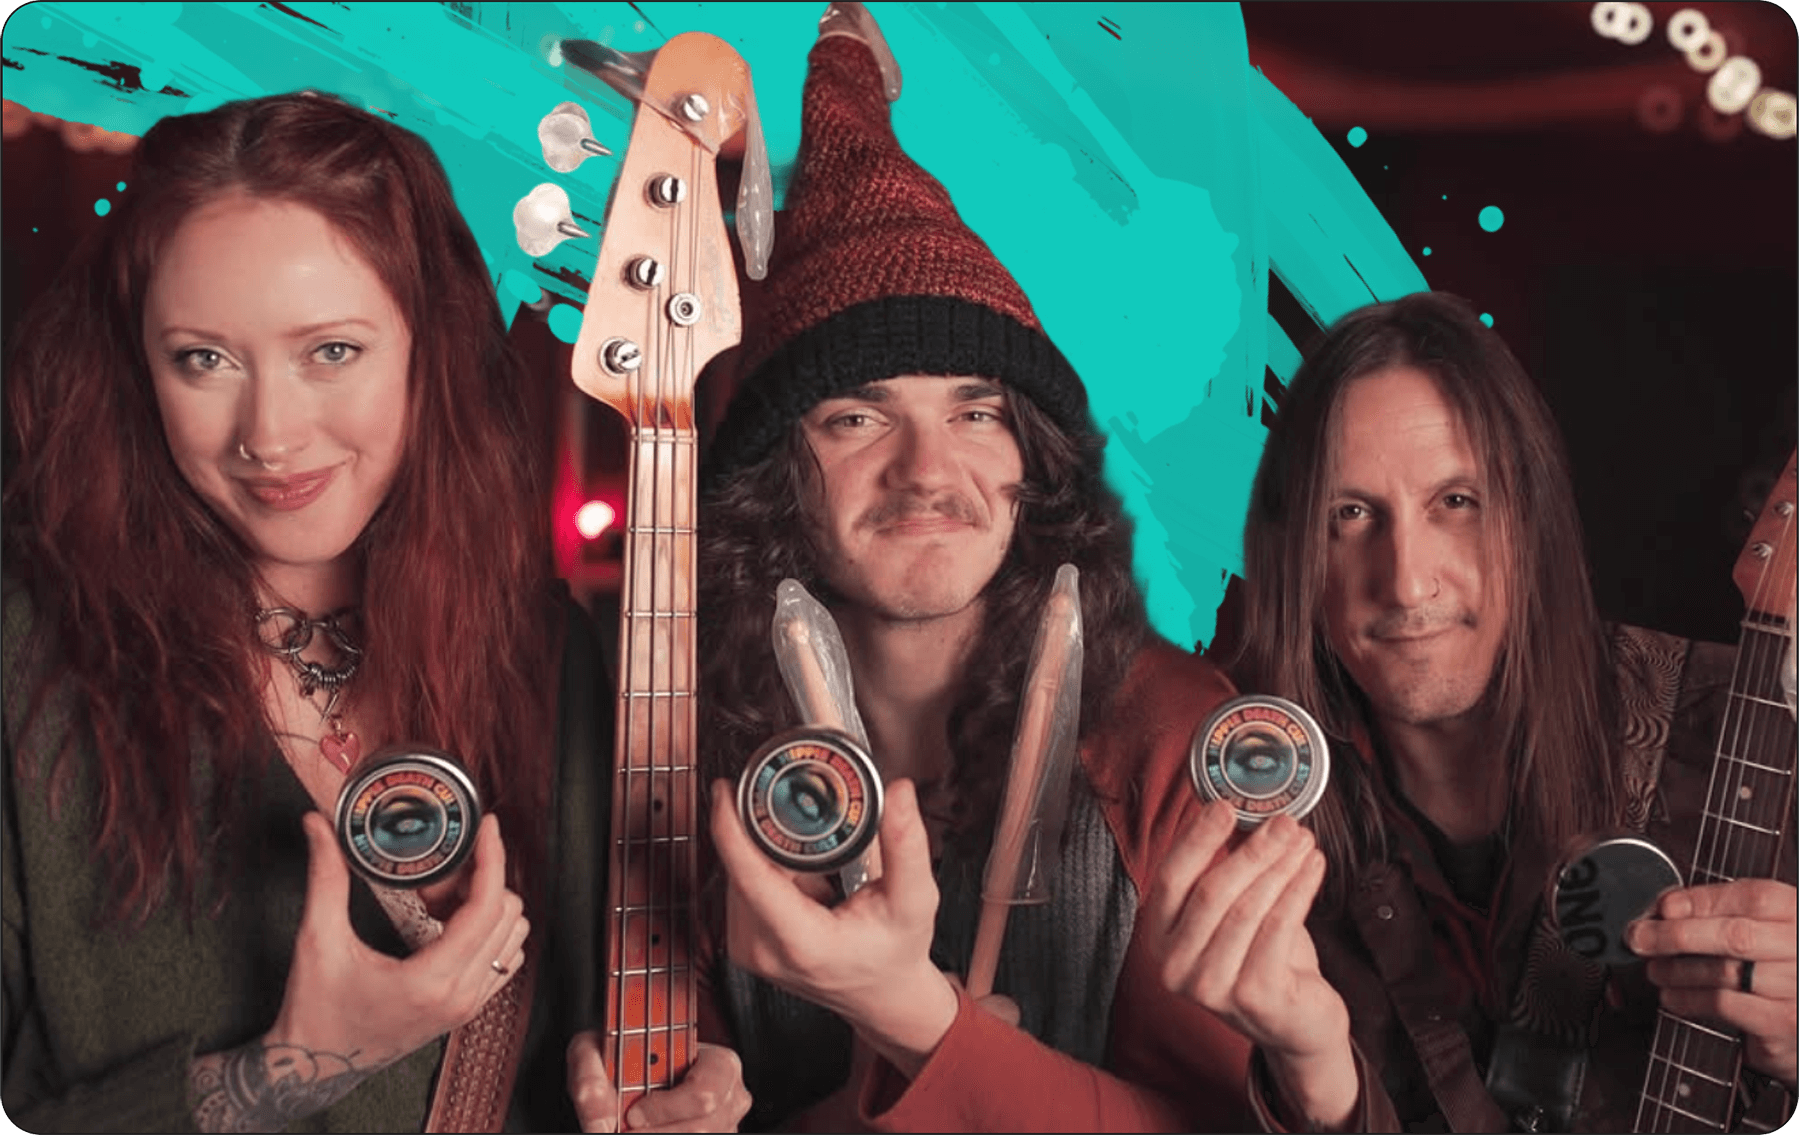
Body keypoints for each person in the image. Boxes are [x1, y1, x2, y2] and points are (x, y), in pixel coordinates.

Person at [2, 91, 748, 1132]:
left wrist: (685, 1064)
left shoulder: (550, 652)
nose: (269, 432)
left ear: (425, 352)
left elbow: (627, 984)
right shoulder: (27, 670)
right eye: (202, 359)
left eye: (331, 352)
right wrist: (281, 1075)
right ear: (137, 368)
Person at [688, 5, 1258, 1130]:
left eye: (977, 413)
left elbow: (1215, 1122)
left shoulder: (1172, 737)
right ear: (774, 478)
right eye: (856, 418)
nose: (927, 471)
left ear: (1033, 459)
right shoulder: (688, 742)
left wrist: (919, 1028)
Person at [1148, 290, 1797, 1131]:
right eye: (1350, 515)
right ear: (1295, 553)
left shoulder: (1748, 740)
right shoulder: (1253, 821)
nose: (1408, 582)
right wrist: (1314, 1074)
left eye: (1456, 501)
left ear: (1532, 519)